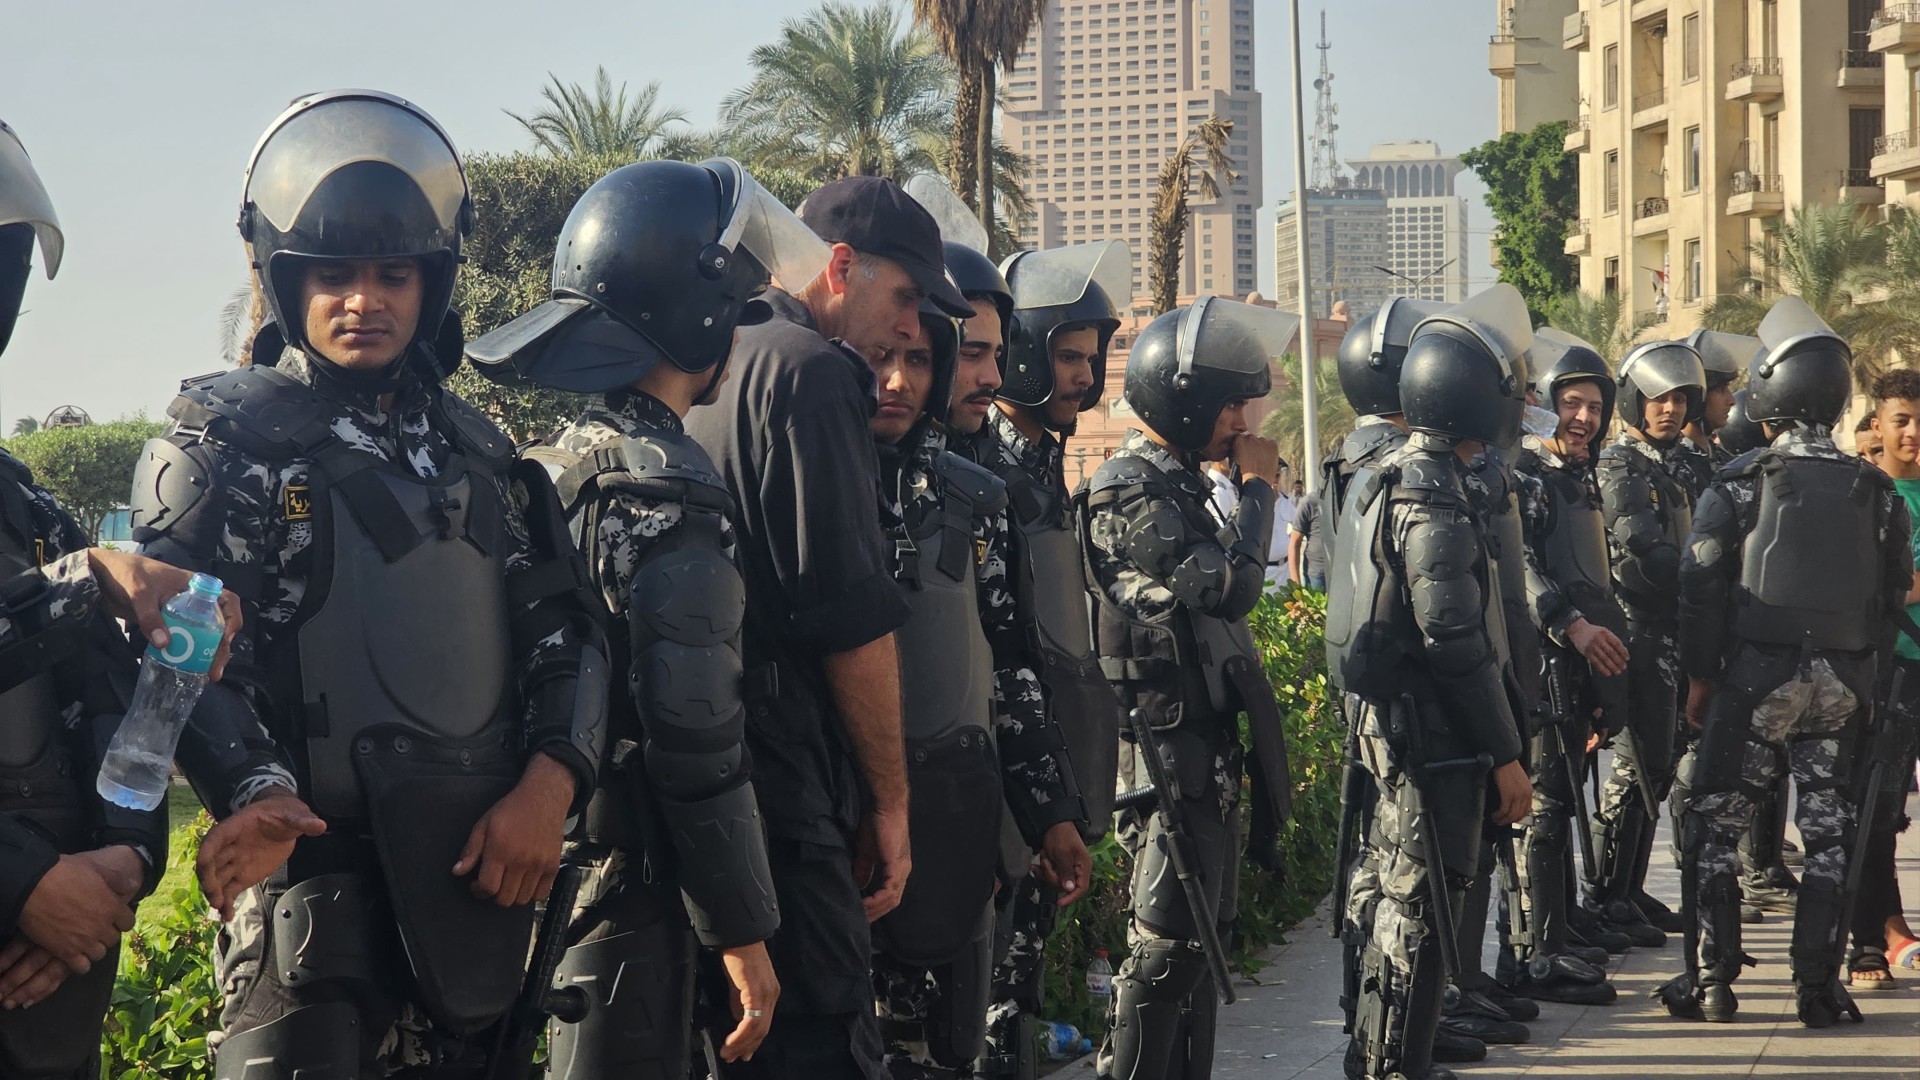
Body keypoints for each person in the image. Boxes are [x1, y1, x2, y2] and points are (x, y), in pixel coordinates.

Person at [130, 91, 608, 1077]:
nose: (365, 299)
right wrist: (251, 789)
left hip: (476, 888)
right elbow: (174, 644)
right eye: (336, 275)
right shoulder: (223, 443)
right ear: (286, 278)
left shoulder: (482, 455)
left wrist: (548, 787)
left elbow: (570, 637)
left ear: (432, 284)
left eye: (394, 274)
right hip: (308, 893)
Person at [464, 158, 817, 1075]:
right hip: (632, 893)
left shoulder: (543, 465)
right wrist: (742, 931)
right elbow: (694, 735)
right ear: (697, 318)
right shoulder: (669, 486)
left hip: (527, 879)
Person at [683, 173, 971, 1079]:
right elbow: (850, 622)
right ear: (839, 267)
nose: (912, 329)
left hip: (712, 779)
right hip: (788, 786)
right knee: (822, 1041)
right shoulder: (813, 373)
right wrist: (891, 803)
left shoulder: (714, 352)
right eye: (906, 297)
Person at [0, 118, 242, 1080]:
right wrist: (23, 884)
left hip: (53, 988)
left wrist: (125, 866)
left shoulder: (21, 498)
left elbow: (114, 704)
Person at [1665, 297, 1910, 1027]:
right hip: (1845, 683)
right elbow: (1893, 591)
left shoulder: (1741, 478)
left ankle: (1711, 983)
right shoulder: (1877, 490)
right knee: (1832, 830)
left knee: (1712, 821)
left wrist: (1703, 677)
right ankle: (1817, 988)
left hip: (1755, 679)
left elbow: (1699, 581)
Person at [1082, 296, 1295, 1080]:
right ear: (1188, 399)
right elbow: (1228, 590)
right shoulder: (1128, 489)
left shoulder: (1179, 483)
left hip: (1201, 748)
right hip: (1163, 757)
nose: (1244, 418)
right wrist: (1262, 490)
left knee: (1204, 940)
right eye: (1233, 401)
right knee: (1168, 945)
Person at [1325, 284, 1534, 1080]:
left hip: (1398, 726)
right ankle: (1396, 1062)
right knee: (1421, 905)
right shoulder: (1430, 496)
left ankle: (1377, 1055)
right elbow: (1454, 641)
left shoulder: (1391, 476)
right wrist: (1505, 752)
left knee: (1390, 896)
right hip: (1431, 737)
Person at [965, 239, 1130, 1080]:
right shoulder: (982, 474)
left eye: (1091, 359)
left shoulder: (1039, 473)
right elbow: (998, 659)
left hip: (1040, 793)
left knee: (1017, 1006)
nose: (1083, 377)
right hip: (998, 801)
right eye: (1067, 356)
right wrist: (1036, 810)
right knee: (986, 1018)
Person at [933, 226, 1093, 1080]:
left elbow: (1015, 662)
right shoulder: (846, 472)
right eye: (971, 354)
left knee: (987, 1023)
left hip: (976, 805)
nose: (990, 379)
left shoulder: (983, 490)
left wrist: (1051, 813)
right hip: (876, 831)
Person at [1504, 327, 1631, 1007]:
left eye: (1594, 405)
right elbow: (1518, 566)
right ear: (1543, 403)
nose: (1583, 418)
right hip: (1543, 663)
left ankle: (1557, 926)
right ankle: (1534, 950)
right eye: (1571, 402)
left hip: (1579, 668)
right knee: (1544, 807)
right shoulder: (1525, 475)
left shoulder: (1578, 477)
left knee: (1563, 799)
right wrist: (1569, 625)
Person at [1668, 332, 1797, 924]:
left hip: (1737, 635)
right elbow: (1693, 568)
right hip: (1694, 638)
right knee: (1701, 773)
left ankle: (1742, 881)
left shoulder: (1717, 463)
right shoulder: (1677, 464)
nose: (1728, 399)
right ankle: (1710, 895)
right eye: (1720, 389)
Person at [1588, 337, 1708, 947]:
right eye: (1659, 397)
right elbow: (1641, 544)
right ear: (1636, 400)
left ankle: (1629, 889)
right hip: (1635, 629)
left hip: (1678, 630)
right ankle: (1609, 894)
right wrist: (1706, 574)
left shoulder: (1685, 463)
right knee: (1635, 765)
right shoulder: (1619, 464)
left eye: (1680, 397)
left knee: (1657, 765)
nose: (1670, 408)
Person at [1851, 369, 1920, 989]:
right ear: (1879, 425)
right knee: (1879, 809)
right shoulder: (1866, 496)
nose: (1915, 433)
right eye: (1902, 419)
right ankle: (1876, 938)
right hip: (1889, 671)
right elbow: (1884, 586)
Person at [1287, 488, 1326, 590]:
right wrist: (1296, 586)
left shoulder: (1348, 501)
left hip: (1343, 572)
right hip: (1317, 575)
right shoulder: (1309, 502)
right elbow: (1294, 543)